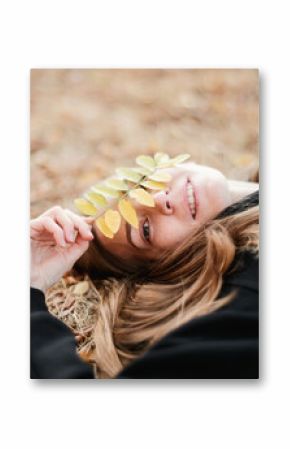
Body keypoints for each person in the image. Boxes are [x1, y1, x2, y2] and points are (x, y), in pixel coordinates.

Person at [30, 161, 259, 378]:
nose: (159, 198)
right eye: (146, 229)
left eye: (143, 183)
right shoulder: (245, 290)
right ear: (169, 268)